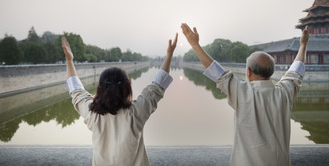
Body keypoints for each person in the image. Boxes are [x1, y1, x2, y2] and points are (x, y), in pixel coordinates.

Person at [181, 23, 309, 166]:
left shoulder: (241, 92)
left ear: (248, 72)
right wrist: (303, 45)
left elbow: (216, 72)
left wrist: (195, 44)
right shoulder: (285, 92)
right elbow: (296, 70)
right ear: (271, 72)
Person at [62, 33, 178, 166]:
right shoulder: (136, 112)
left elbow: (76, 91)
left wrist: (69, 61)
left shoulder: (92, 114)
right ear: (127, 88)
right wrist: (169, 55)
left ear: (100, 88)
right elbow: (157, 86)